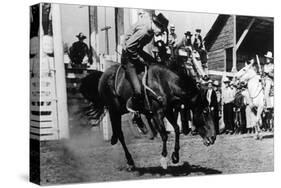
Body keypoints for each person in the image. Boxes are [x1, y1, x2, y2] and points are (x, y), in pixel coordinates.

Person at [121, 13, 169, 118]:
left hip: (136, 50)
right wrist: (140, 60)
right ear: (156, 24)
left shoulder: (151, 30)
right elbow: (129, 47)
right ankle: (133, 108)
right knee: (138, 90)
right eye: (161, 29)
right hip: (128, 55)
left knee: (156, 64)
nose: (161, 32)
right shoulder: (144, 31)